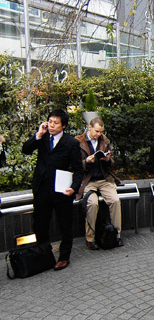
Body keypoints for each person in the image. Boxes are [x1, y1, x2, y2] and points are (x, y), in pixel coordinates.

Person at [22, 109, 83, 270]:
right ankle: (44, 254)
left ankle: (64, 257)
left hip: (62, 190)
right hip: (42, 188)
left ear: (63, 126)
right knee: (40, 224)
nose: (51, 125)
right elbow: (25, 149)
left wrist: (73, 188)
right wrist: (38, 135)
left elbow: (78, 170)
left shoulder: (71, 143)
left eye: (56, 123)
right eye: (50, 121)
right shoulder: (42, 138)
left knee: (65, 225)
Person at [75, 117, 123, 249]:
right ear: (89, 127)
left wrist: (107, 159)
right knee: (92, 203)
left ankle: (116, 236)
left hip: (104, 179)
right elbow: (73, 165)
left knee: (115, 200)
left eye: (101, 132)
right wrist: (86, 162)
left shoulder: (105, 140)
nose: (99, 134)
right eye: (97, 131)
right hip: (88, 180)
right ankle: (90, 239)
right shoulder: (78, 141)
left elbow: (112, 163)